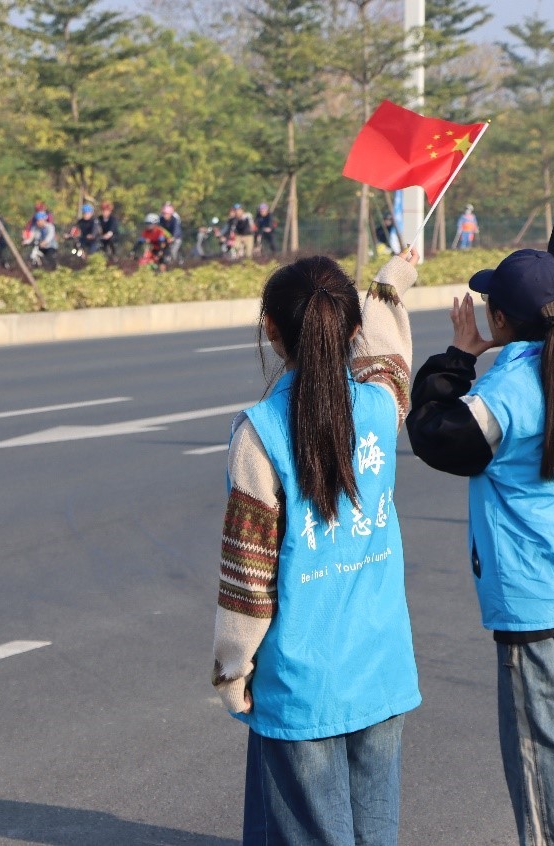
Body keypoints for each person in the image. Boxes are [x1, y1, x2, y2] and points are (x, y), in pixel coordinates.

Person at [404, 136, 554, 846]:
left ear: (499, 321)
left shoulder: (503, 393)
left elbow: (433, 433)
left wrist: (458, 356)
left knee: (541, 751)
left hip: (536, 600)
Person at [213, 248, 422, 845]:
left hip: (302, 686)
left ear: (271, 330)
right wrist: (387, 288)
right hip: (381, 668)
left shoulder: (260, 433)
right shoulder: (381, 408)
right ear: (352, 330)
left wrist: (233, 669)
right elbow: (391, 360)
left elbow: (248, 576)